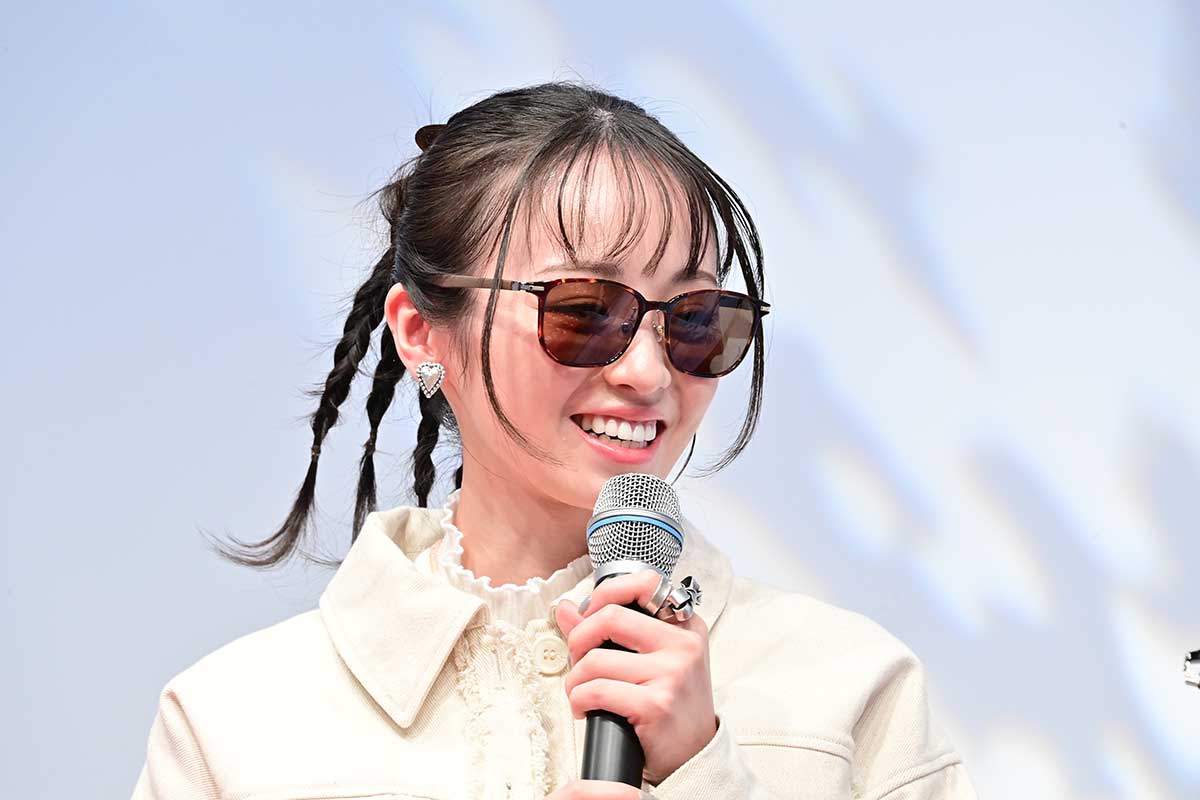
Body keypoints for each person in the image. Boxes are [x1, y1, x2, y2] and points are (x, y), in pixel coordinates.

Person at [131, 80, 977, 799]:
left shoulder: (853, 689)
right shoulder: (233, 724)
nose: (647, 372)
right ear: (421, 333)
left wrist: (700, 773)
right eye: (583, 310)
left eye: (694, 319)